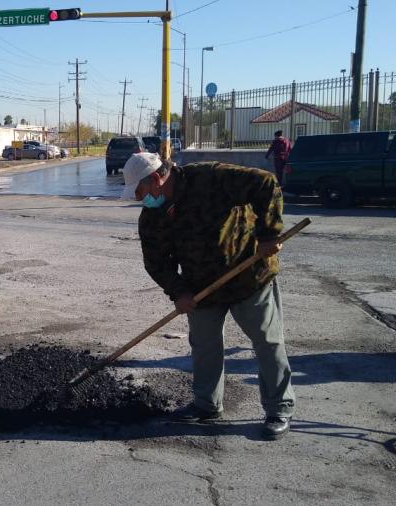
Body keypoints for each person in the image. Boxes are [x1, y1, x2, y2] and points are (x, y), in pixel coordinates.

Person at [123, 152, 294, 440]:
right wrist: (178, 293)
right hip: (200, 286)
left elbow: (266, 183)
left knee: (267, 342)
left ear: (156, 178)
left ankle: (279, 408)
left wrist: (268, 234)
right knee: (204, 345)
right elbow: (156, 262)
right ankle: (207, 404)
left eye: (141, 192)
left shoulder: (210, 177)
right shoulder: (152, 215)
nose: (141, 199)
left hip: (248, 276)